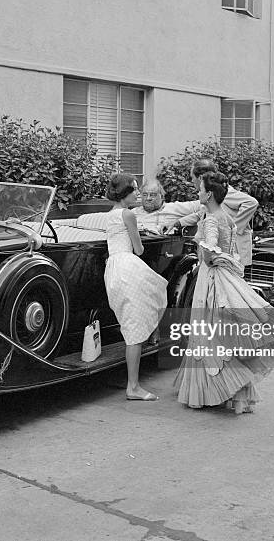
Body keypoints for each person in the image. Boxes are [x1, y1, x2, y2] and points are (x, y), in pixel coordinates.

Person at [174, 171, 274, 413]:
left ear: (208, 194)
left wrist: (208, 255)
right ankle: (238, 394)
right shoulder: (226, 217)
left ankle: (215, 392)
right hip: (227, 277)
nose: (197, 192)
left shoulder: (210, 220)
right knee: (224, 336)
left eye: (200, 189)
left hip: (212, 279)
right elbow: (231, 249)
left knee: (210, 334)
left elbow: (209, 251)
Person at [104, 172, 168, 401]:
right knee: (157, 295)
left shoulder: (110, 214)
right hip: (127, 265)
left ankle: (134, 382)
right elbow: (139, 249)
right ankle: (133, 387)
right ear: (125, 194)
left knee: (133, 321)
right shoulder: (128, 214)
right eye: (134, 190)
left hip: (113, 268)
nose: (138, 194)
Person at [190, 160, 258, 266]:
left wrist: (234, 228)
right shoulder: (210, 197)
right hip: (224, 255)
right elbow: (200, 213)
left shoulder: (223, 193)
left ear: (201, 177)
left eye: (192, 177)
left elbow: (252, 203)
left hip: (232, 254)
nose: (192, 180)